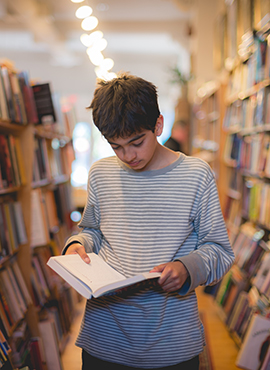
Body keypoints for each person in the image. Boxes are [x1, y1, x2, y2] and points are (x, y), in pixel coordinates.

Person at [63, 72, 235, 370]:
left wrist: (186, 268)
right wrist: (77, 244)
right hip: (104, 337)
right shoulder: (100, 174)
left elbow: (219, 251)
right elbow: (92, 231)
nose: (128, 155)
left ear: (158, 125)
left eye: (136, 142)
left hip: (172, 342)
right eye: (115, 146)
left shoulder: (196, 175)